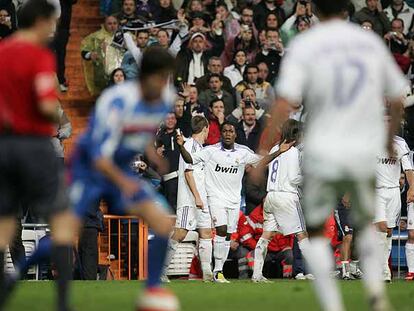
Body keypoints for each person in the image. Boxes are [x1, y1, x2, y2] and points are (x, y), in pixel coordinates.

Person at [268, 0, 407, 309]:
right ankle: (375, 289)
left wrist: (266, 149)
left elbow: (284, 101)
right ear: (347, 11)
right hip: (361, 144)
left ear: (316, 11)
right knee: (366, 221)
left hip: (323, 145)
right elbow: (398, 97)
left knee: (315, 229)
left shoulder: (306, 44)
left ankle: (331, 302)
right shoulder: (368, 42)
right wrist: (387, 138)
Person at [0, 1, 73, 310]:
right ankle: (62, 301)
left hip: (4, 145)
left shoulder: (1, 53)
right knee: (62, 220)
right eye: (51, 22)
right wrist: (57, 115)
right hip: (35, 146)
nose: (53, 29)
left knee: (3, 223)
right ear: (41, 21)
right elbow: (45, 106)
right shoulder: (40, 56)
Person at [176, 122, 295, 283]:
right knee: (221, 230)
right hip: (215, 198)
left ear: (235, 134)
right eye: (224, 131)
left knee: (228, 235)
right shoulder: (210, 151)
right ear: (221, 134)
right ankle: (217, 271)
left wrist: (279, 152)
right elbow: (189, 159)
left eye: (230, 131)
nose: (227, 133)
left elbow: (261, 161)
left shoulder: (243, 152)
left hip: (234, 201)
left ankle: (218, 269)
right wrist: (182, 147)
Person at [251, 119, 310, 283]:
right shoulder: (293, 152)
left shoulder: (275, 148)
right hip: (287, 196)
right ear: (296, 134)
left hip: (270, 196)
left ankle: (257, 274)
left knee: (266, 236)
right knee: (302, 234)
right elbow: (294, 178)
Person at [163, 116, 214, 282]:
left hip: (200, 200)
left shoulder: (200, 147)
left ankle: (207, 273)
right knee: (180, 233)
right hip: (189, 200)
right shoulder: (190, 146)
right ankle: (160, 270)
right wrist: (197, 197)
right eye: (208, 130)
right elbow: (188, 173)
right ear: (205, 128)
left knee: (206, 233)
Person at [373, 127, 414, 282]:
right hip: (376, 191)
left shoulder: (399, 143)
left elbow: (408, 168)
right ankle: (384, 271)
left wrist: (412, 188)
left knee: (389, 231)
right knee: (381, 227)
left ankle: (382, 267)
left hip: (394, 191)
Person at [81, 15, 123, 95]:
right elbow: (84, 51)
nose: (112, 26)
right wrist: (90, 54)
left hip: (120, 74)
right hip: (101, 74)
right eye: (109, 24)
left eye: (115, 23)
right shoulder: (95, 37)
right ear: (104, 24)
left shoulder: (124, 36)